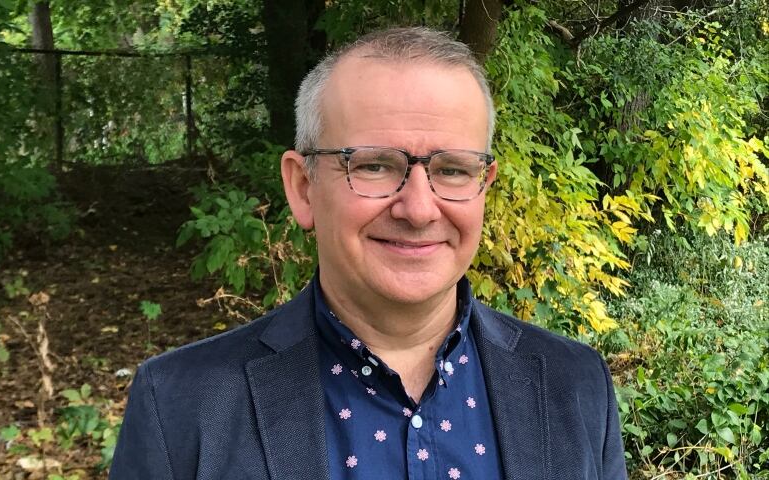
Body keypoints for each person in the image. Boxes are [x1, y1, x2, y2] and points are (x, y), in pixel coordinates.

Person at [110, 27, 627, 480]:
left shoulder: (575, 385)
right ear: (303, 187)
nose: (420, 208)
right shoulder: (179, 405)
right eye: (375, 165)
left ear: (483, 185)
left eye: (451, 169)